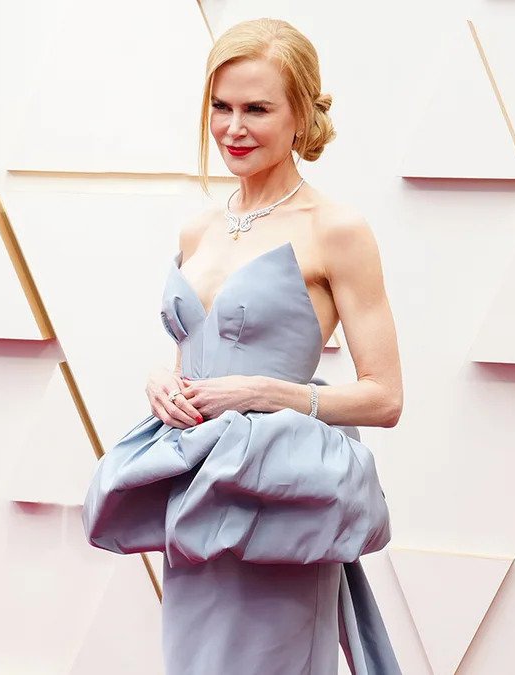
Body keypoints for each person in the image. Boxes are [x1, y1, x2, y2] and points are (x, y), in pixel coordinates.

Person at [81, 17, 405, 675]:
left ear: (300, 116)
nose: (233, 128)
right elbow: (196, 356)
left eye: (257, 109)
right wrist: (162, 380)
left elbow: (385, 397)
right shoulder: (199, 229)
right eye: (221, 106)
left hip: (277, 497)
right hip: (197, 490)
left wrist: (266, 392)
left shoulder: (337, 230)